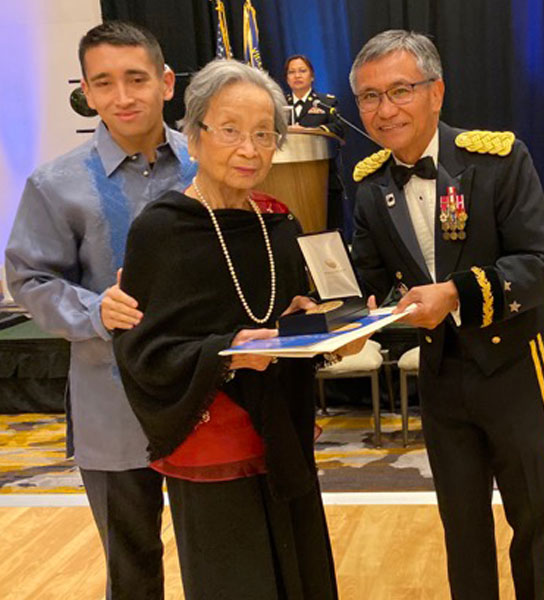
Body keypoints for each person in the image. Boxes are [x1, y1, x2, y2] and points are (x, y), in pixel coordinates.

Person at [113, 58, 360, 600]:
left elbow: (286, 321)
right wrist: (223, 353)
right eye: (230, 131)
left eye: (263, 134)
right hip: (212, 446)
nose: (249, 149)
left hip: (284, 434)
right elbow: (141, 353)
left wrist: (325, 329)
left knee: (302, 575)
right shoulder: (161, 231)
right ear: (194, 135)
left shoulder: (278, 222)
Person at [348, 30, 544, 600]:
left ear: (436, 92)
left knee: (532, 522)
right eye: (369, 97)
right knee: (462, 528)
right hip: (440, 375)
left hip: (514, 363)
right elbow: (371, 287)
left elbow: (542, 266)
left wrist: (457, 295)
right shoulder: (369, 187)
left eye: (400, 90)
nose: (385, 110)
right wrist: (341, 316)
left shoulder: (496, 159)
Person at [3, 21, 195, 599]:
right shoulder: (55, 183)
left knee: (217, 548)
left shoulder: (207, 164)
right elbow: (29, 278)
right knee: (131, 564)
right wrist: (95, 310)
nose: (122, 96)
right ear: (86, 92)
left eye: (137, 78)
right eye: (104, 83)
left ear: (166, 83)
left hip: (206, 396)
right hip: (111, 404)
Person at [285, 54, 347, 231]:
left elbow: (339, 129)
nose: (297, 75)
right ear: (287, 79)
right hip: (287, 178)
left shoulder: (326, 102)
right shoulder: (278, 104)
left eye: (302, 71)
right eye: (292, 72)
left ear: (311, 76)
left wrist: (306, 131)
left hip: (322, 176)